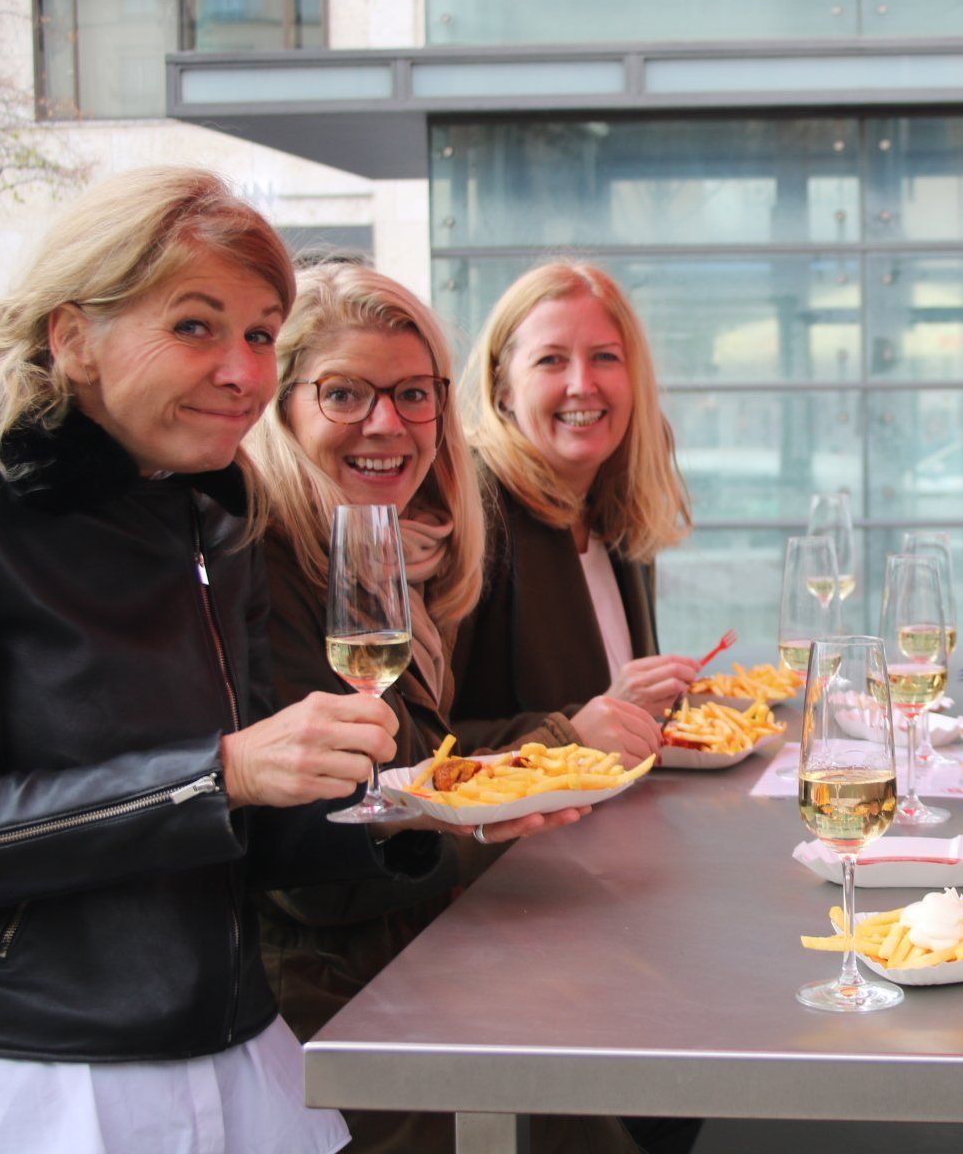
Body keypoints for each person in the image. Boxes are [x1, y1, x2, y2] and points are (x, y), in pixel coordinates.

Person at [0, 168, 442, 1153]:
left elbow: (244, 831)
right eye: (196, 325)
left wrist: (424, 809)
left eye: (260, 333)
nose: (245, 371)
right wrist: (223, 772)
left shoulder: (208, 513)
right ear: (71, 336)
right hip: (35, 1081)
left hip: (229, 1047)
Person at [245, 263, 662, 1153]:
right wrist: (528, 762)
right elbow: (319, 857)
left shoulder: (404, 545)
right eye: (345, 393)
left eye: (409, 394)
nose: (386, 424)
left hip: (434, 951)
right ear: (283, 406)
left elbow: (414, 782)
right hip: (343, 1009)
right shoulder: (268, 561)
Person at [454, 260, 698, 725]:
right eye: (551, 360)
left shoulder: (618, 506)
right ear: (503, 387)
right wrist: (571, 734)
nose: (582, 385)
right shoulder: (470, 510)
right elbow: (419, 745)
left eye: (605, 357)